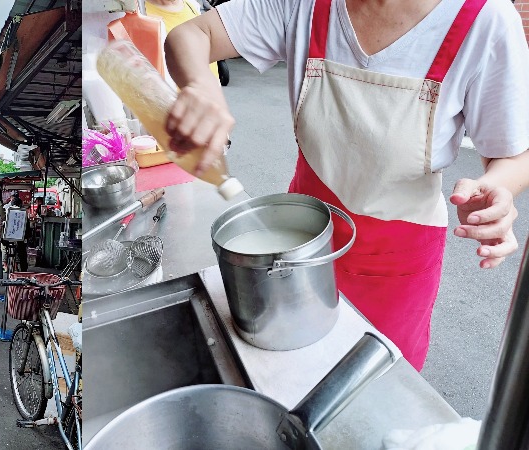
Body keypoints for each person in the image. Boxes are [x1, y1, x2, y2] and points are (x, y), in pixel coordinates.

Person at [163, 0, 529, 370]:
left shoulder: (485, 20)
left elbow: (514, 154)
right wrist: (200, 85)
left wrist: (498, 188)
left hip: (397, 260)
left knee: (376, 382)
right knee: (290, 367)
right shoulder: (303, 6)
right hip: (300, 240)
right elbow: (192, 33)